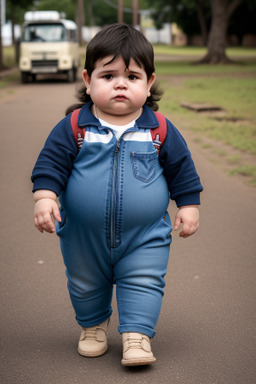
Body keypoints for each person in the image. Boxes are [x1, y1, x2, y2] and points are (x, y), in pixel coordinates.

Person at [31, 23, 203, 366]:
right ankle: (92, 325)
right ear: (87, 79)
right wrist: (45, 197)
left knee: (144, 280)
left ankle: (137, 335)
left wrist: (189, 205)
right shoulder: (75, 127)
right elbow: (49, 164)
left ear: (149, 82)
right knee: (84, 283)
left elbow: (183, 172)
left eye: (132, 76)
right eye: (108, 75)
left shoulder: (160, 130)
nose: (120, 84)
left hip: (145, 235)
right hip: (82, 234)